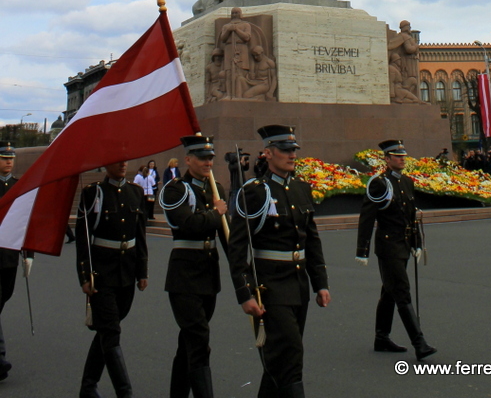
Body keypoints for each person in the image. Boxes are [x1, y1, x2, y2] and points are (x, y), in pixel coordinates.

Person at [228, 125, 330, 398]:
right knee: (292, 352)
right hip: (269, 287)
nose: (291, 155)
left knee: (279, 359)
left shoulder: (301, 189)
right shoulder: (255, 192)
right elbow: (237, 247)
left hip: (298, 286)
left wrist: (320, 283)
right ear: (268, 153)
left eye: (293, 150)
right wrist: (244, 292)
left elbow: (312, 239)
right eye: (285, 150)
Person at [159, 135, 228, 398]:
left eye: (211, 157)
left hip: (208, 274)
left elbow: (226, 235)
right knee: (199, 340)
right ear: (188, 159)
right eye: (202, 157)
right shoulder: (176, 189)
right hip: (184, 276)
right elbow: (186, 224)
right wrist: (215, 212)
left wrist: (243, 277)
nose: (208, 162)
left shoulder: (216, 189)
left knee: (188, 343)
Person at [356, 139, 436, 361]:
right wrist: (362, 249)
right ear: (387, 159)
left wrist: (417, 243)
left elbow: (412, 216)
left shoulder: (407, 182)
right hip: (389, 246)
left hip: (404, 244)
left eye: (403, 156)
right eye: (398, 156)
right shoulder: (379, 183)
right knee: (401, 291)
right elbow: (367, 217)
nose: (402, 159)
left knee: (389, 292)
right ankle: (419, 343)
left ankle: (381, 337)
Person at [76, 159, 148, 398]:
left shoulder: (135, 192)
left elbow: (140, 234)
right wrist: (85, 274)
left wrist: (142, 271)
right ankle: (124, 392)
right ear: (106, 164)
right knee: (111, 331)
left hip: (126, 272)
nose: (122, 165)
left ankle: (88, 387)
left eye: (125, 161)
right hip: (102, 273)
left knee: (107, 330)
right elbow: (83, 237)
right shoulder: (93, 193)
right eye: (117, 161)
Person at [0, 142, 33, 383]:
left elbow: (26, 221)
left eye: (10, 158)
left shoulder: (19, 186)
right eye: (4, 158)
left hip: (9, 256)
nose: (8, 161)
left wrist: (28, 253)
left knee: (4, 297)